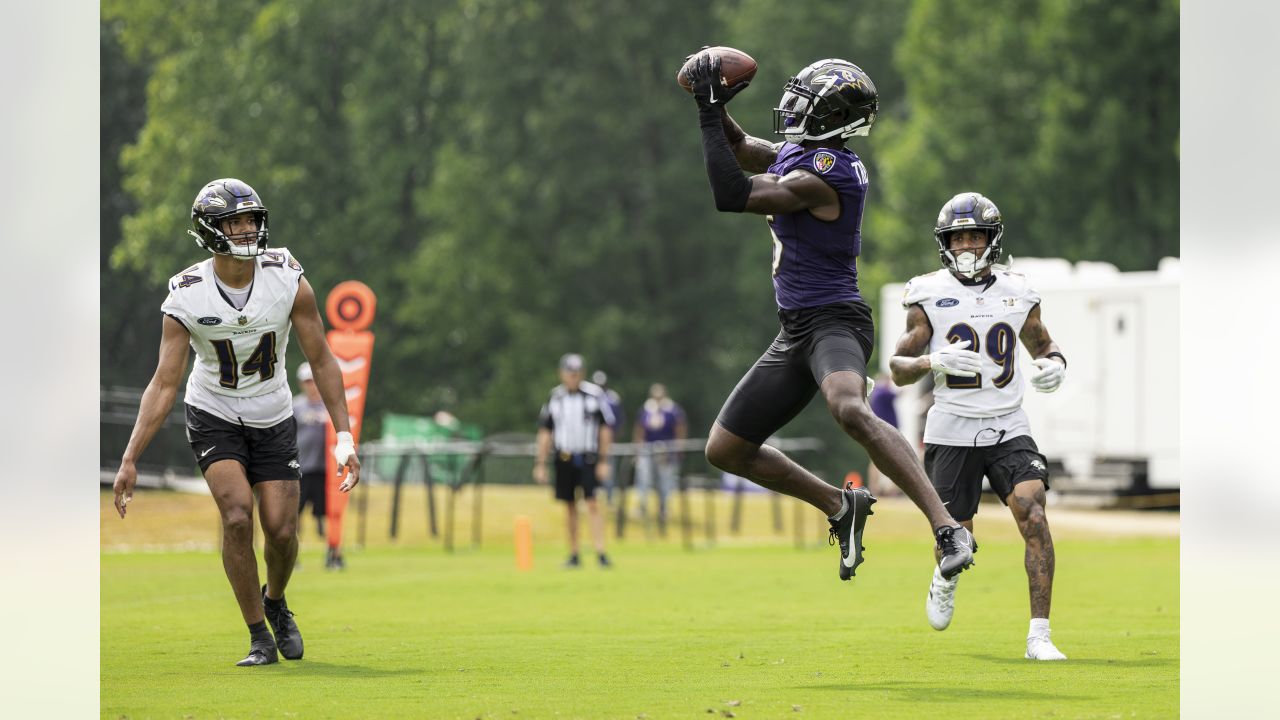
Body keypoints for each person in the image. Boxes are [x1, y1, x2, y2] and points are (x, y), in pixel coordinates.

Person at [684, 52, 975, 585]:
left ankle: (948, 527)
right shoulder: (809, 155)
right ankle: (841, 507)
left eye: (807, 102)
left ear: (831, 117)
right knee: (725, 449)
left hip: (836, 321)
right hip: (796, 330)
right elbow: (745, 149)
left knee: (848, 408)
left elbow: (732, 193)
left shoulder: (829, 175)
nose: (794, 106)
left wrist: (707, 114)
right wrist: (715, 102)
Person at [111, 178, 362, 667]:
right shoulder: (187, 294)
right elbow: (164, 384)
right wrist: (130, 458)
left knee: (283, 532)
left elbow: (324, 359)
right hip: (215, 412)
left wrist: (344, 436)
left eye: (251, 219)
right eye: (235, 221)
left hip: (273, 410)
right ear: (209, 230)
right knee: (237, 516)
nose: (247, 229)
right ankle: (257, 635)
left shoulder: (286, 276)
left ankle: (275, 602)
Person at [889, 191, 1068, 660]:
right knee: (958, 538)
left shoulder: (1019, 290)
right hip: (951, 428)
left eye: (974, 235)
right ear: (945, 242)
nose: (966, 245)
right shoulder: (927, 294)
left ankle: (1039, 636)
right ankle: (944, 576)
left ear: (991, 238)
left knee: (1034, 514)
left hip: (1009, 423)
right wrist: (932, 359)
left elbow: (1043, 345)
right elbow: (897, 368)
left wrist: (1056, 364)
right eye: (958, 237)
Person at [532, 354, 615, 568]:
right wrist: (540, 463)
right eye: (569, 373)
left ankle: (600, 551)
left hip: (587, 456)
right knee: (569, 505)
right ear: (562, 374)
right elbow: (545, 431)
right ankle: (574, 552)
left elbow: (606, 428)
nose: (573, 378)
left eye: (576, 374)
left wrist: (604, 460)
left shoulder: (594, 395)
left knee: (593, 503)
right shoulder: (555, 398)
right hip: (564, 457)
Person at [631, 383, 688, 528]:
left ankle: (664, 508)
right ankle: (642, 506)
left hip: (666, 450)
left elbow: (679, 428)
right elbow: (640, 430)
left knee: (666, 481)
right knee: (643, 478)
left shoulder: (672, 410)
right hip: (648, 449)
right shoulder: (646, 409)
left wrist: (678, 448)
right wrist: (637, 450)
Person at [292, 362, 328, 543]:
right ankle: (294, 553)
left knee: (326, 513)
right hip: (302, 468)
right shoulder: (295, 406)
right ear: (302, 384)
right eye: (307, 381)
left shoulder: (329, 404)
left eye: (314, 381)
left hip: (326, 469)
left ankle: (332, 552)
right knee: (296, 512)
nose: (311, 385)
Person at [865, 373, 903, 497]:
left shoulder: (875, 393)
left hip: (878, 432)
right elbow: (898, 394)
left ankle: (876, 489)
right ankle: (891, 490)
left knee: (876, 461)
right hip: (887, 433)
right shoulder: (882, 392)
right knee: (896, 459)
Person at [591, 369, 625, 504]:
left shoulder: (611, 399)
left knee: (608, 470)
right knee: (591, 470)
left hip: (607, 441)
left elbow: (618, 421)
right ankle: (592, 496)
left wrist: (613, 438)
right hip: (591, 442)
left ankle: (609, 497)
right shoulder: (591, 397)